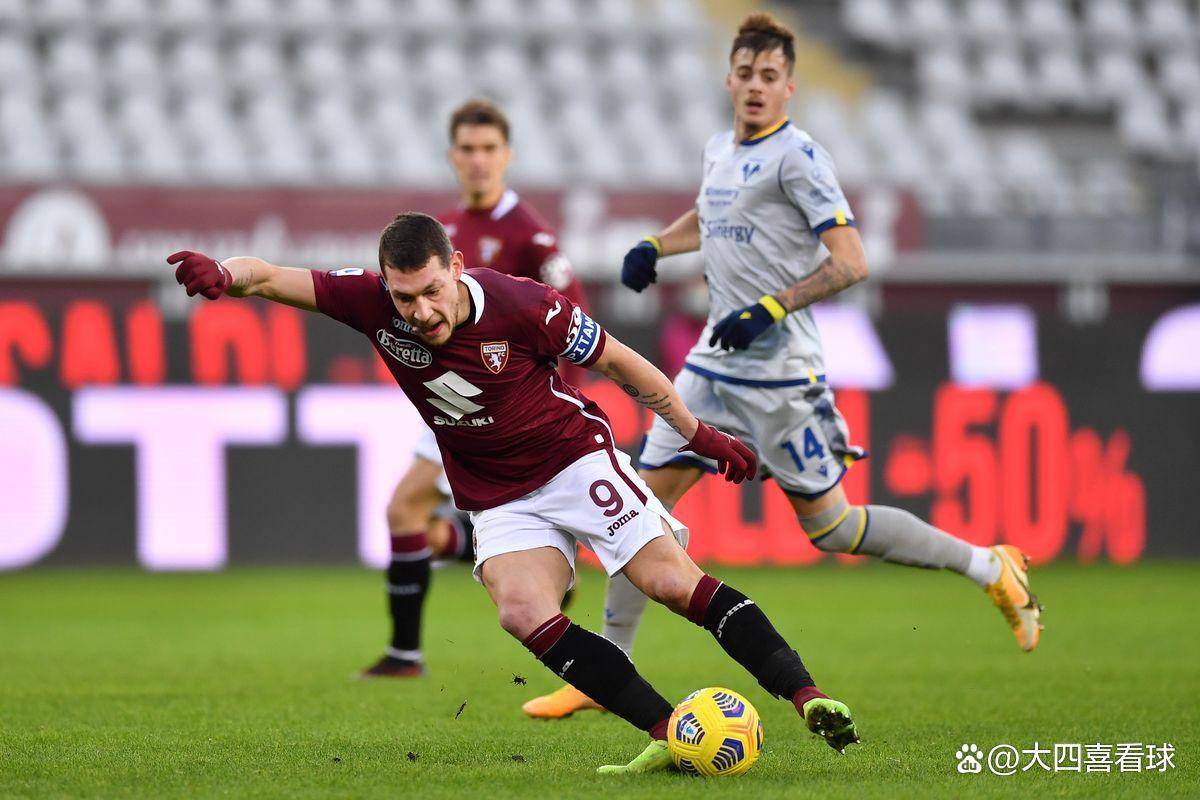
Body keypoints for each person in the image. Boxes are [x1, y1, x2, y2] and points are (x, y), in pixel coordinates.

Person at [165, 211, 859, 773]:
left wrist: (696, 433)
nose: (420, 312)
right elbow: (266, 276)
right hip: (496, 496)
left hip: (572, 462)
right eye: (404, 298)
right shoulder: (369, 302)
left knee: (670, 582)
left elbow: (622, 364)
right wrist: (225, 272)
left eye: (431, 291)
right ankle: (669, 731)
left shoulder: (526, 305)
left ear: (456, 267)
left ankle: (807, 696)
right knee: (522, 611)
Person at [523, 12, 1044, 719]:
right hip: (712, 367)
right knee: (638, 507)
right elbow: (712, 216)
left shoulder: (800, 158)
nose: (756, 86)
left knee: (834, 528)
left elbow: (852, 261)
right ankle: (605, 673)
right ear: (729, 80)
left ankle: (989, 565)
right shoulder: (719, 149)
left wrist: (773, 306)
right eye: (745, 74)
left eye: (769, 76)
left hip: (779, 375)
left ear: (790, 87)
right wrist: (657, 244)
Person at [363, 99, 589, 679]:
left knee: (404, 509)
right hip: (449, 400)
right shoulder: (443, 232)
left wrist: (560, 409)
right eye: (468, 149)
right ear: (452, 156)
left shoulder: (531, 236)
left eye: (489, 149)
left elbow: (576, 326)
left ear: (507, 155)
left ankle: (407, 652)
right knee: (406, 512)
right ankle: (411, 644)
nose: (479, 160)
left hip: (503, 407)